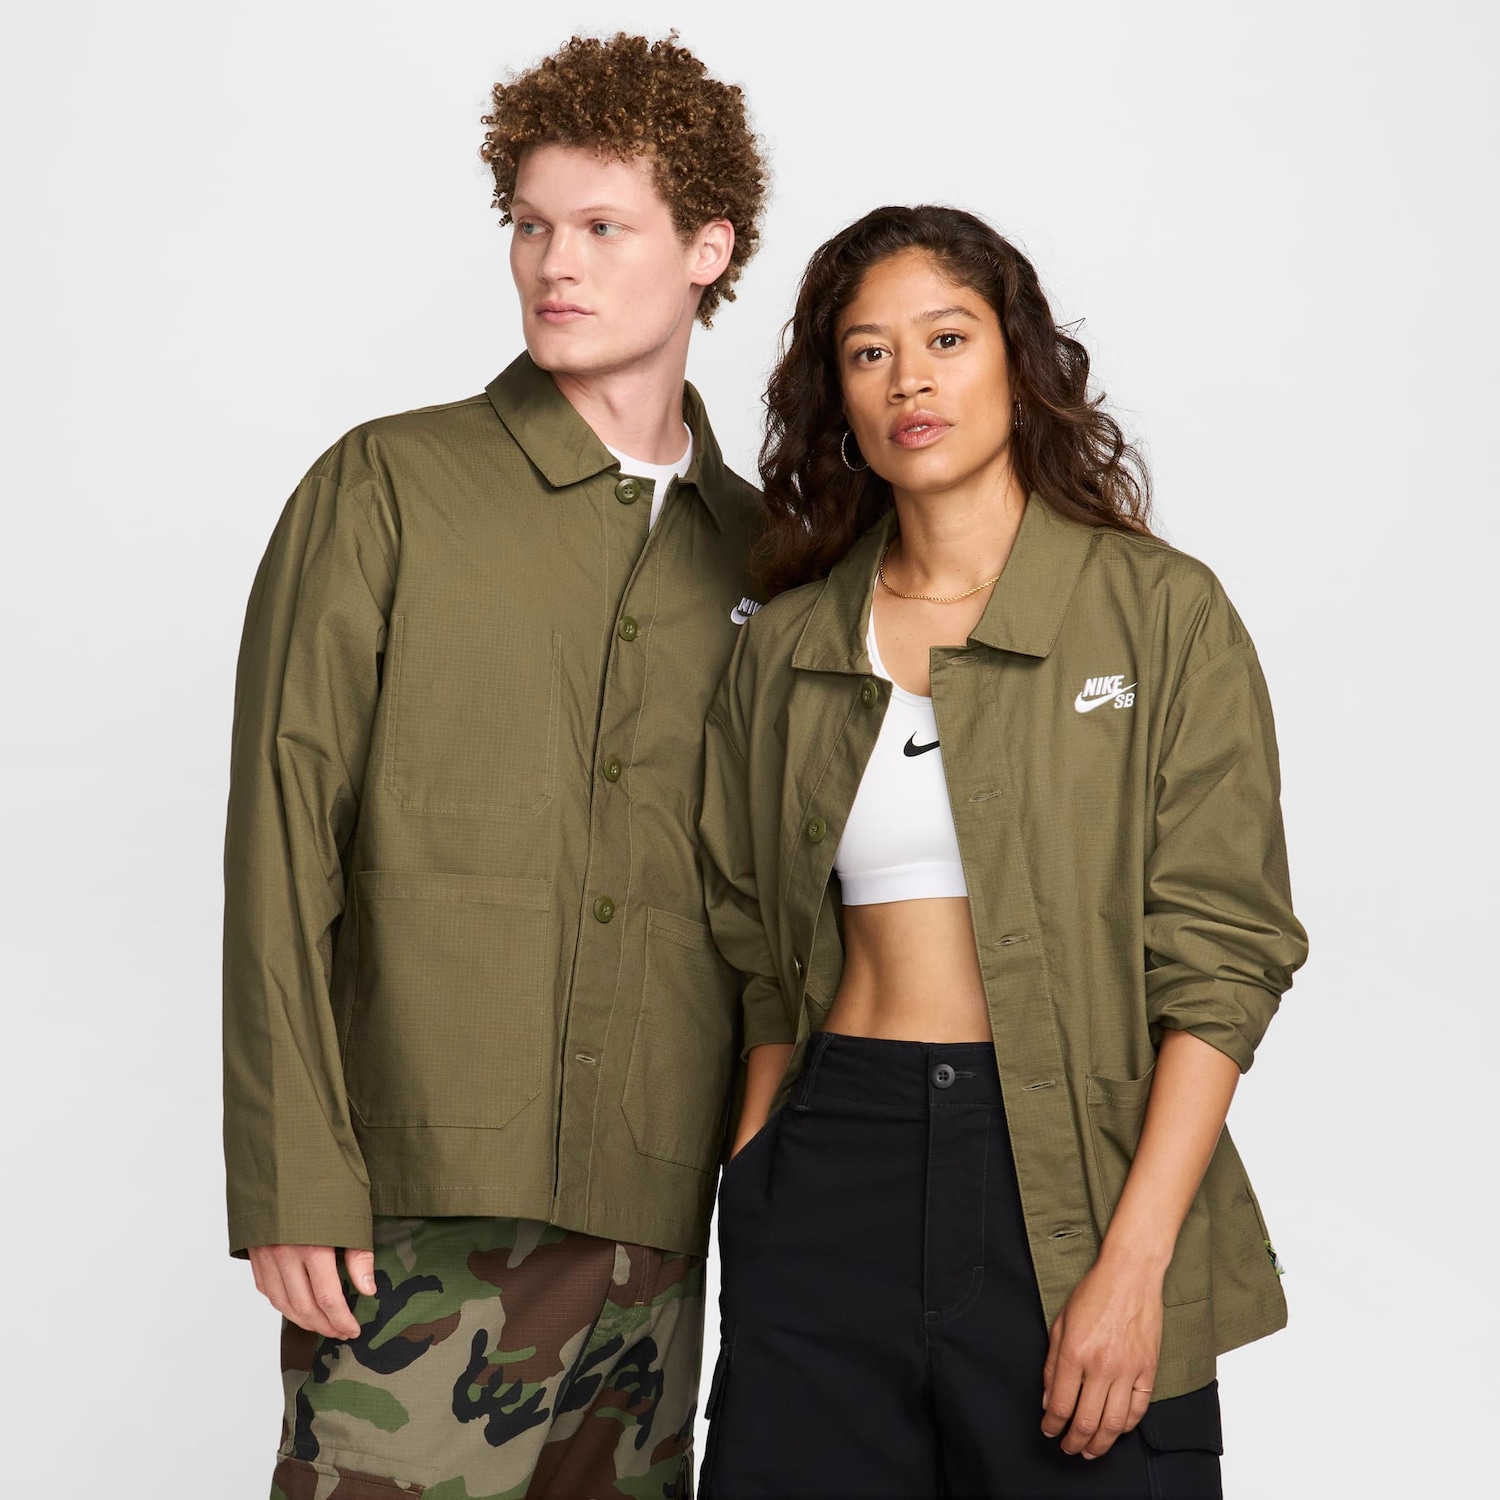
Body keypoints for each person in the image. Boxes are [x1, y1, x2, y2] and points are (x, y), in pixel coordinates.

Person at [222, 33, 767, 1499]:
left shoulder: (766, 551)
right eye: (529, 224)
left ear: (707, 249)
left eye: (602, 227)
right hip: (416, 1213)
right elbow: (283, 836)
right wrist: (291, 1175)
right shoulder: (388, 485)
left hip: (660, 1218)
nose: (554, 263)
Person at [697, 205, 1308, 1499]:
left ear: (1018, 363)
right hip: (830, 1171)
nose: (908, 381)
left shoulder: (1160, 613)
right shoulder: (788, 644)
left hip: (1073, 1179)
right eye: (867, 353)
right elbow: (754, 945)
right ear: (837, 398)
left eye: (946, 339)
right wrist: (756, 1176)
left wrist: (1133, 1265)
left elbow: (1225, 958)